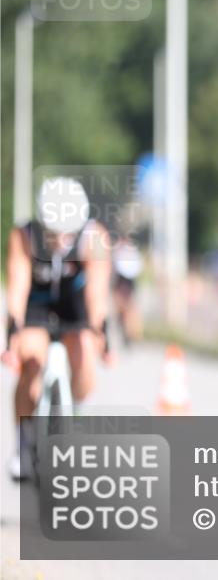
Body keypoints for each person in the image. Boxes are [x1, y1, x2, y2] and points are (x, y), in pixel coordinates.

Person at [4, 177, 112, 480]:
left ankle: (77, 412)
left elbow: (97, 292)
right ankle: (24, 445)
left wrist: (99, 331)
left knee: (83, 351)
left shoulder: (95, 238)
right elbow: (18, 286)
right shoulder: (23, 235)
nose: (61, 241)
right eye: (53, 234)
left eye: (68, 235)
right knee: (31, 358)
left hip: (74, 306)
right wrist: (12, 335)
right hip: (37, 305)